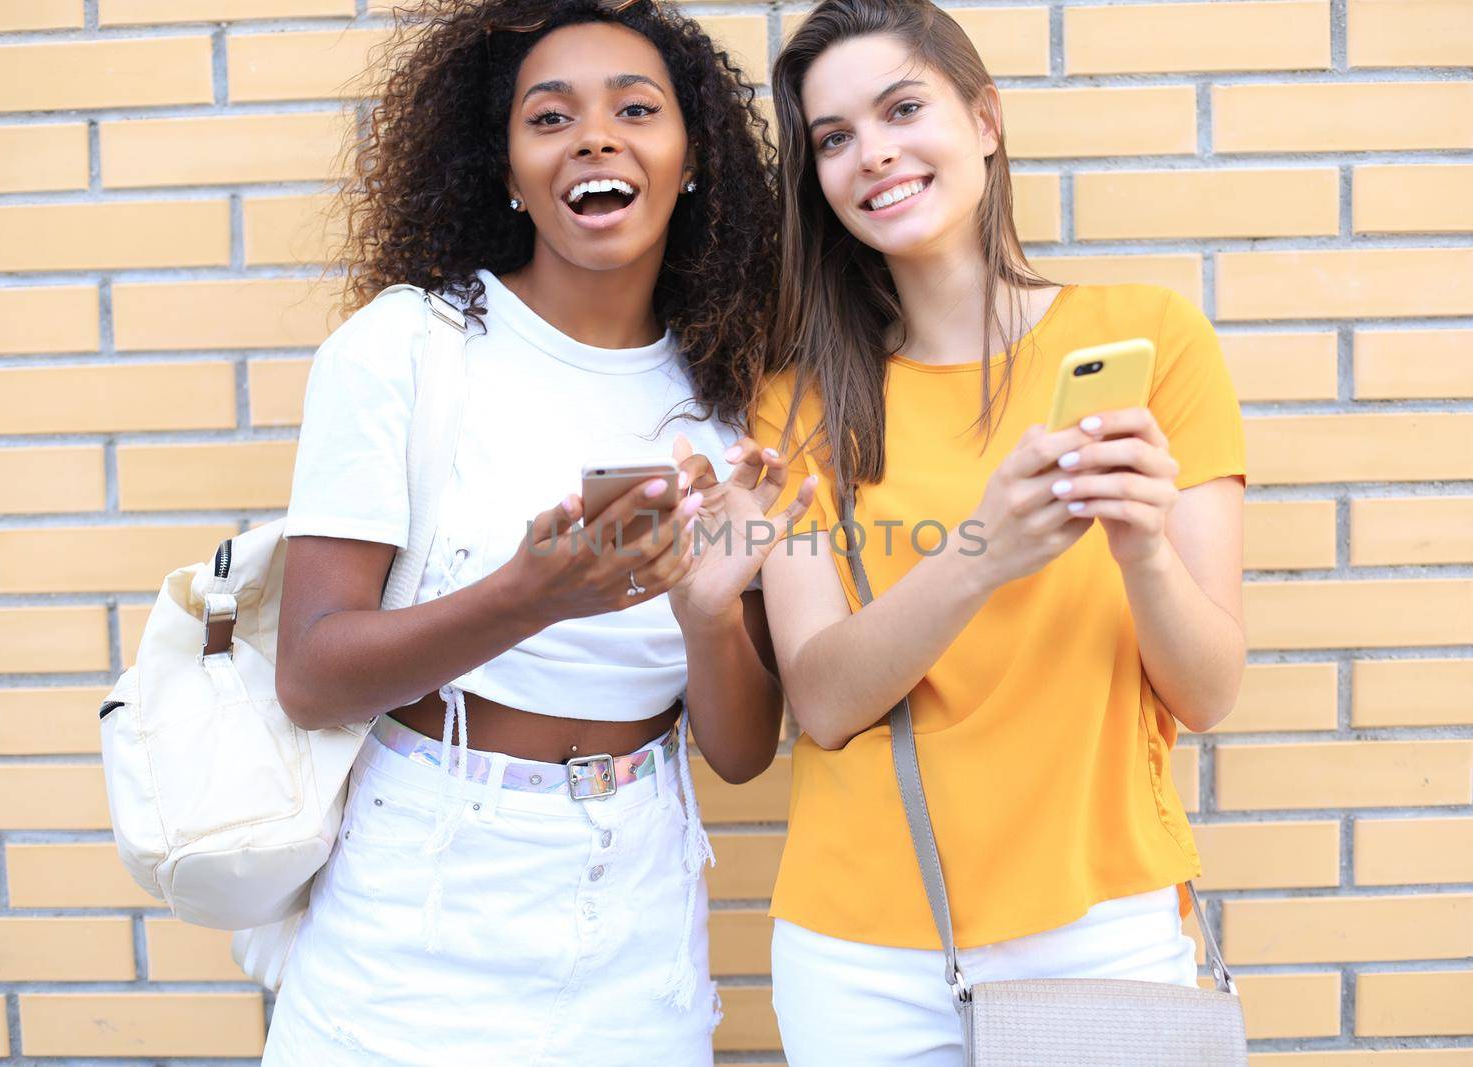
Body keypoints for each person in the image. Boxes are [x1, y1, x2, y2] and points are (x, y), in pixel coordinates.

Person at [259, 1, 815, 1062]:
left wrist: (704, 608)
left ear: (690, 157)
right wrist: (528, 594)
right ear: (507, 169)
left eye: (635, 109)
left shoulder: (731, 404)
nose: (595, 137)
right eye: (549, 117)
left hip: (636, 894)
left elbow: (740, 753)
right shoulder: (406, 350)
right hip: (419, 894)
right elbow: (313, 674)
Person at [751, 1, 1247, 1062]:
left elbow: (1205, 692)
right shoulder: (798, 407)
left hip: (1103, 920)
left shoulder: (1153, 339)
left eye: (901, 108)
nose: (871, 152)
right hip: (862, 954)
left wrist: (1141, 547)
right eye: (832, 139)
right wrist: (982, 549)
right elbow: (824, 699)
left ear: (983, 119)